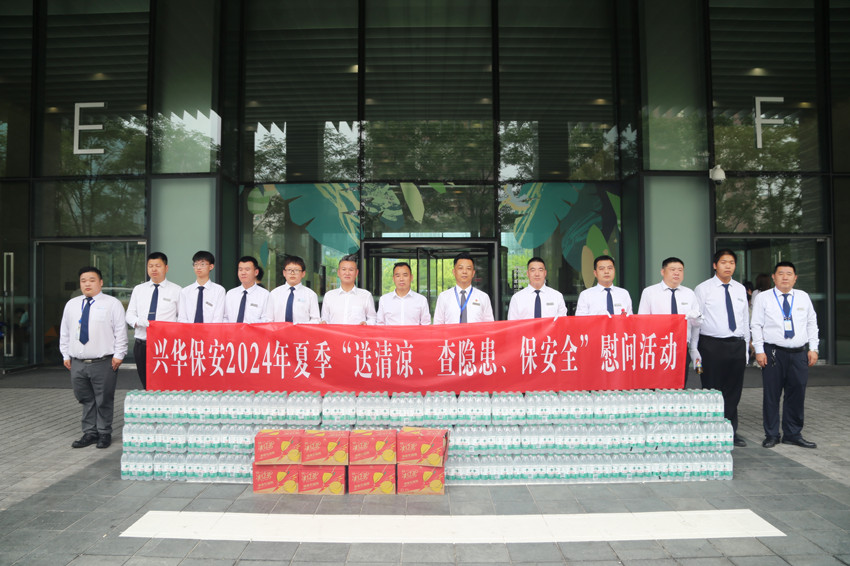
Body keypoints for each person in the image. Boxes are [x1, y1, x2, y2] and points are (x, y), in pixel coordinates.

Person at [751, 261, 819, 449]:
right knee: (771, 395)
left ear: (795, 278)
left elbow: (812, 323)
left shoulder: (803, 297)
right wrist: (759, 350)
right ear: (774, 277)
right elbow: (756, 325)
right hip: (773, 352)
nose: (785, 277)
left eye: (789, 274)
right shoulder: (763, 298)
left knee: (797, 394)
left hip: (799, 353)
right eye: (781, 273)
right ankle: (772, 434)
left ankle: (793, 434)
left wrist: (813, 348)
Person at [60, 267, 127, 449]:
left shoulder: (112, 303)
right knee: (85, 398)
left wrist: (119, 355)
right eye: (83, 281)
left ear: (101, 282)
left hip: (103, 361)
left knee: (104, 398)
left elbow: (120, 331)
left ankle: (104, 433)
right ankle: (90, 432)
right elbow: (65, 331)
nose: (87, 284)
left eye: (91, 280)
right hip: (78, 362)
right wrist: (65, 354)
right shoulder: (72, 304)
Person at [692, 249, 750, 447]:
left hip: (736, 344)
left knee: (733, 391)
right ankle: (711, 431)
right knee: (712, 390)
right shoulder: (703, 289)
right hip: (711, 346)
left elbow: (744, 320)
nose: (728, 266)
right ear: (715, 265)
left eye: (731, 262)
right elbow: (696, 321)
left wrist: (745, 347)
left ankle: (730, 431)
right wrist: (695, 350)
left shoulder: (740, 289)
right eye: (724, 262)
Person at [126, 252, 181, 389]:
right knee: (146, 382)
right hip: (142, 343)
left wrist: (169, 329)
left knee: (166, 382)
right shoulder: (139, 289)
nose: (154, 269)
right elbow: (129, 314)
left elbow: (182, 318)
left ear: (166, 268)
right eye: (150, 266)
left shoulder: (177, 290)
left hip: (166, 345)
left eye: (158, 266)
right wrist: (139, 322)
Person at [433, 252, 494, 324]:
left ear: (473, 273)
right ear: (454, 272)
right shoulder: (443, 297)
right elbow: (437, 325)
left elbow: (489, 325)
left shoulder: (483, 297)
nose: (464, 272)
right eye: (460, 268)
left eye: (468, 268)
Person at [320, 255, 376, 325]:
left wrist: (366, 323)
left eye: (351, 270)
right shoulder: (329, 296)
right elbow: (324, 318)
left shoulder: (366, 295)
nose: (347, 273)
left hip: (358, 332)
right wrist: (324, 322)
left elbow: (373, 318)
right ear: (338, 272)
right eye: (344, 269)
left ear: (356, 273)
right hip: (334, 332)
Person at [269, 255, 320, 323]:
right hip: (278, 330)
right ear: (284, 273)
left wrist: (299, 326)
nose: (292, 273)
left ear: (303, 274)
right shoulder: (274, 294)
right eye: (289, 270)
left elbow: (316, 320)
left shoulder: (311, 295)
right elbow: (268, 319)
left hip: (301, 330)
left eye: (296, 270)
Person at [178, 251, 225, 323]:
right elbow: (182, 318)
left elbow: (218, 318)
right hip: (189, 330)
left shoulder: (219, 290)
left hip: (211, 330)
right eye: (196, 264)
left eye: (202, 264)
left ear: (211, 266)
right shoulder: (185, 291)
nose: (198, 267)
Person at [224, 256, 272, 323]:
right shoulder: (230, 294)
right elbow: (225, 318)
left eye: (247, 269)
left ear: (256, 272)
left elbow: (266, 320)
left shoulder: (265, 295)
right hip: (233, 329)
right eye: (240, 270)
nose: (243, 273)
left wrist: (248, 326)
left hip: (254, 330)